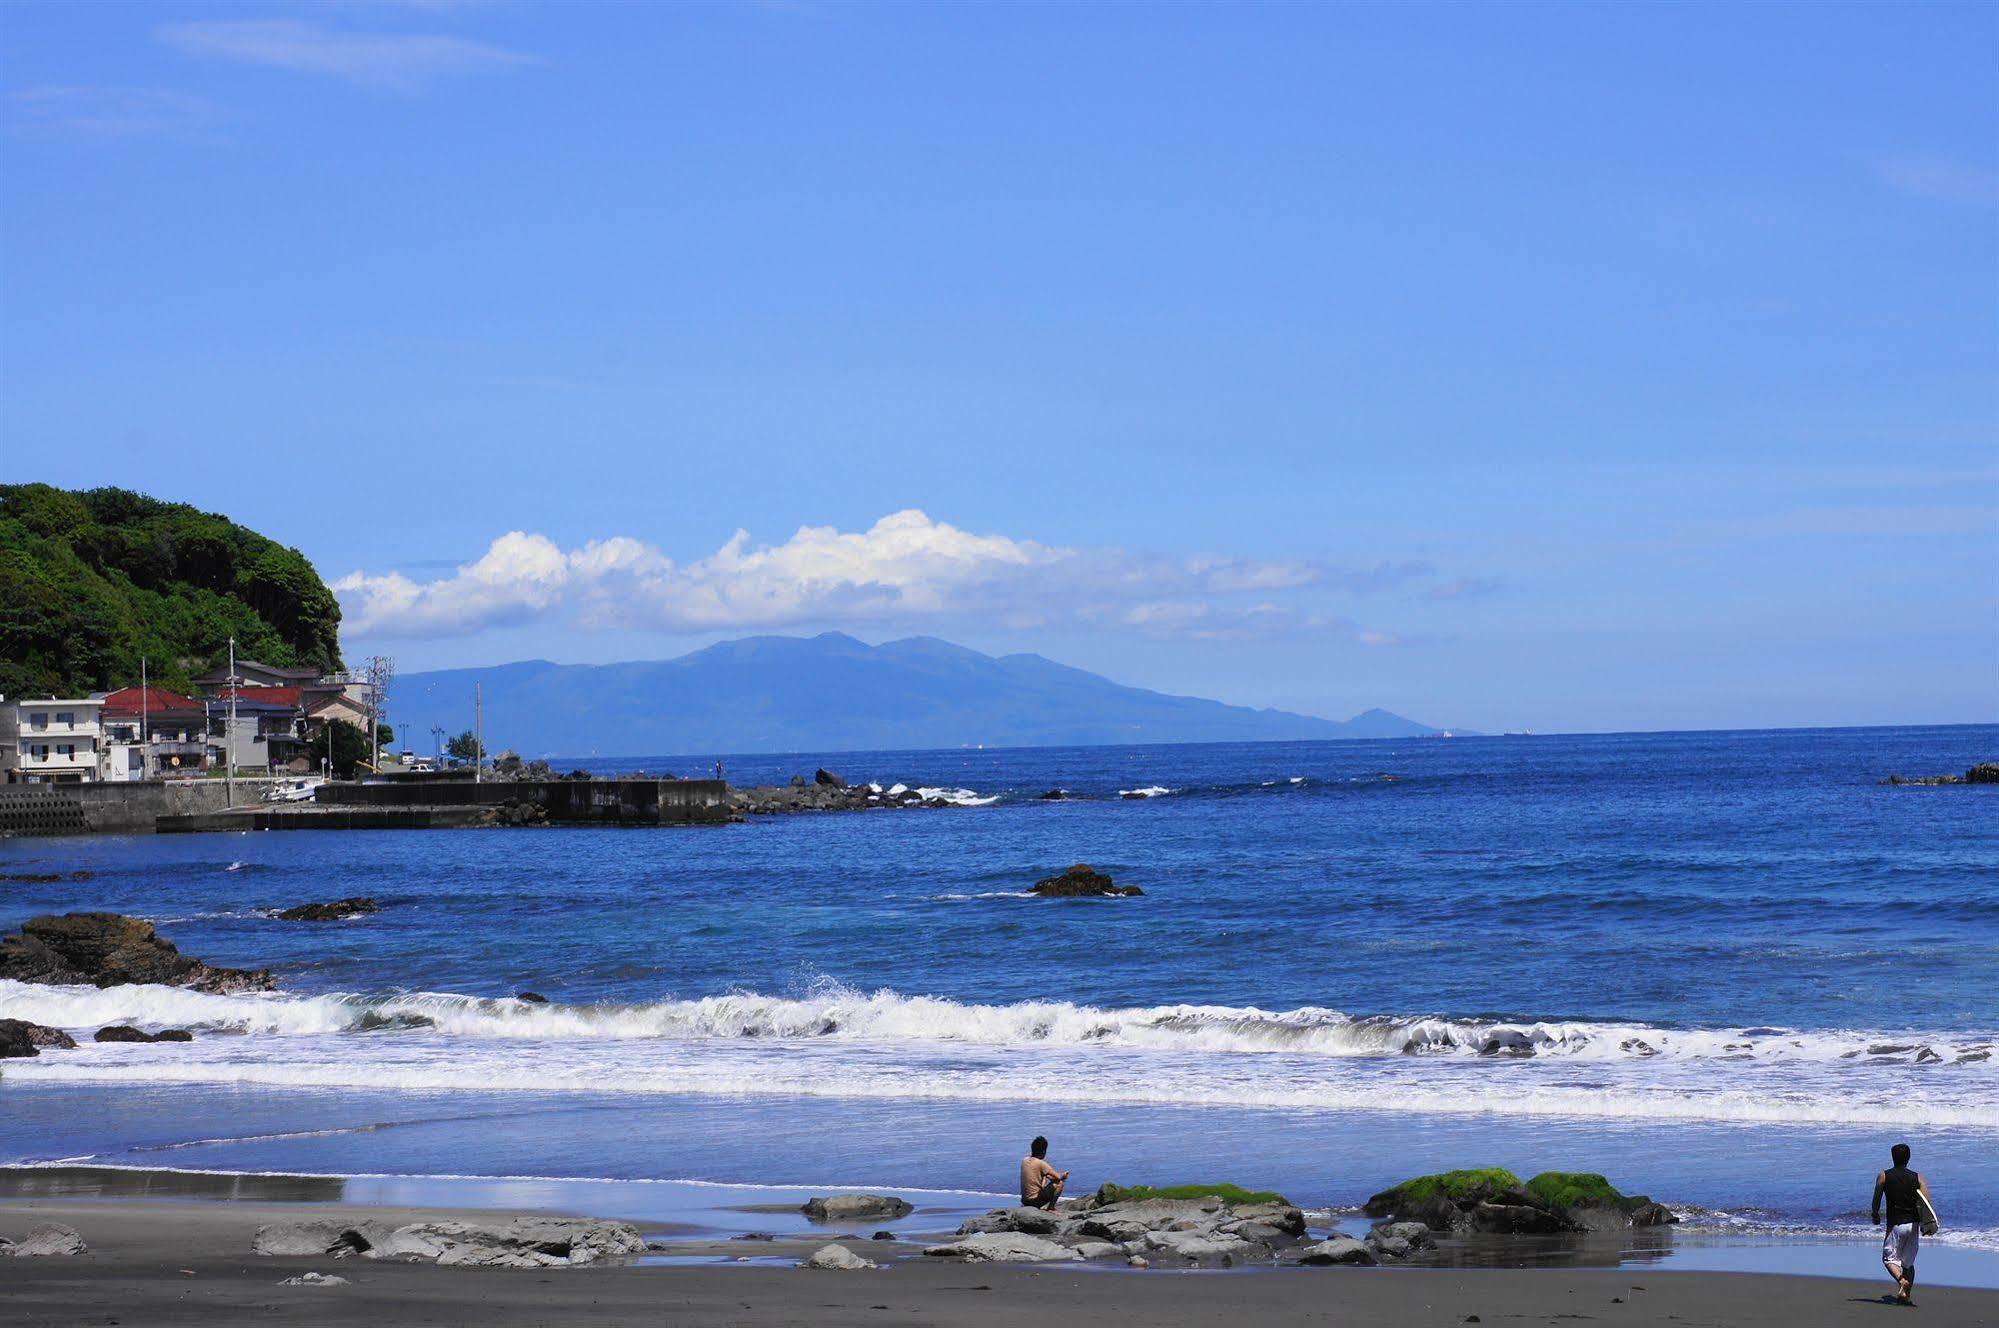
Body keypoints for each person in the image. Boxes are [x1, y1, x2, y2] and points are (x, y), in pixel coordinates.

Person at [1872, 1142, 1933, 1306]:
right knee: (1908, 1264)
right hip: (1913, 1225)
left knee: (1888, 1259)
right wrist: (1928, 1225)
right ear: (1909, 1158)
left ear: (1892, 1157)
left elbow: (1877, 1197)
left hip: (1895, 1225)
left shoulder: (1884, 1176)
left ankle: (1901, 1281)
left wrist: (1875, 1213)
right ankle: (1905, 1295)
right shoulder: (1918, 1177)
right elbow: (1926, 1203)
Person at [1020, 1135, 1069, 1209]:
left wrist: (1048, 1177)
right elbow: (1059, 1177)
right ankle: (1051, 1207)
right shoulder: (1041, 1163)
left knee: (1044, 1176)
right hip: (1034, 1201)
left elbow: (1046, 1176)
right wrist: (1064, 1175)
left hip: (1025, 1201)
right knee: (1060, 1183)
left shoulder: (1025, 1160)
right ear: (1043, 1151)